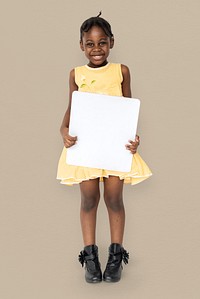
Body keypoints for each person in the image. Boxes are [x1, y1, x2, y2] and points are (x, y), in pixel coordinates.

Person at [57, 12, 152, 283]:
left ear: (111, 42)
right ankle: (89, 257)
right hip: (85, 146)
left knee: (113, 199)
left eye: (102, 42)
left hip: (113, 146)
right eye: (89, 43)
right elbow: (71, 110)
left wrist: (134, 139)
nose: (96, 49)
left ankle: (115, 256)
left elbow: (127, 109)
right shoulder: (76, 74)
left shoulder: (121, 71)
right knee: (88, 199)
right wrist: (63, 131)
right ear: (81, 45)